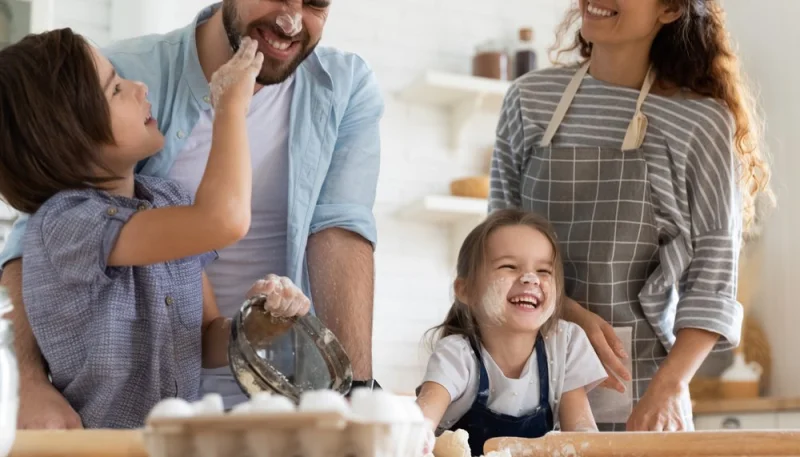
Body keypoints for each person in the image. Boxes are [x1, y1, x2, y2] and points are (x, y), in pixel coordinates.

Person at [0, 0, 383, 429]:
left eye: (314, 1)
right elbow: (224, 220)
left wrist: (261, 323)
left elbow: (204, 335)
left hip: (194, 433)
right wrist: (230, 109)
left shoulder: (168, 201)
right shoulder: (66, 225)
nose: (138, 87)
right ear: (66, 138)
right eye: (116, 89)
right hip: (102, 444)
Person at [489, 0, 773, 432]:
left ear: (670, 10)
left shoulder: (699, 124)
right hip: (522, 383)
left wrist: (669, 388)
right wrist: (564, 311)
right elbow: (492, 251)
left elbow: (713, 283)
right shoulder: (530, 101)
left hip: (641, 394)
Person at [415, 209, 608, 454]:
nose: (530, 279)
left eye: (544, 271)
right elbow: (418, 425)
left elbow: (583, 439)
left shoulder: (566, 344)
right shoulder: (458, 355)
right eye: (509, 266)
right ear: (466, 290)